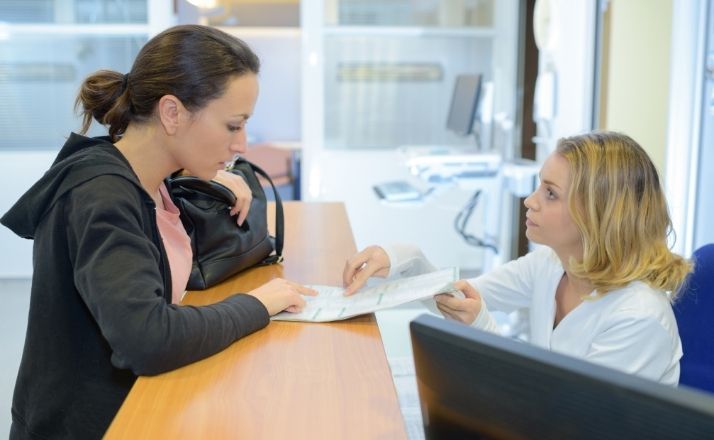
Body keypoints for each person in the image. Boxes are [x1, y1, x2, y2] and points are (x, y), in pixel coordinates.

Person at [1, 25, 316, 439]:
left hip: (132, 404)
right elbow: (147, 340)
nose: (241, 145)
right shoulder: (103, 195)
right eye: (232, 126)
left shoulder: (149, 177)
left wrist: (205, 180)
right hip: (91, 426)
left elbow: (170, 263)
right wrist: (258, 305)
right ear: (172, 113)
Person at [343, 131, 691, 386]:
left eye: (550, 194)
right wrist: (410, 259)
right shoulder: (552, 265)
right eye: (540, 186)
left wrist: (482, 327)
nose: (530, 201)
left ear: (599, 215)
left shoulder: (638, 317)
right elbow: (459, 300)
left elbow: (567, 419)